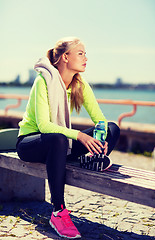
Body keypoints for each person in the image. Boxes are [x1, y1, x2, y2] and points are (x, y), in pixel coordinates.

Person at [16, 37, 120, 239]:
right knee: (58, 139)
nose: (86, 58)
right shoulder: (43, 81)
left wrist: (102, 140)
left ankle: (91, 159)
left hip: (60, 144)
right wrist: (80, 136)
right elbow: (44, 126)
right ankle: (58, 212)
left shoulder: (80, 84)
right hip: (32, 143)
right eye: (81, 53)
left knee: (112, 128)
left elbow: (100, 120)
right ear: (65, 57)